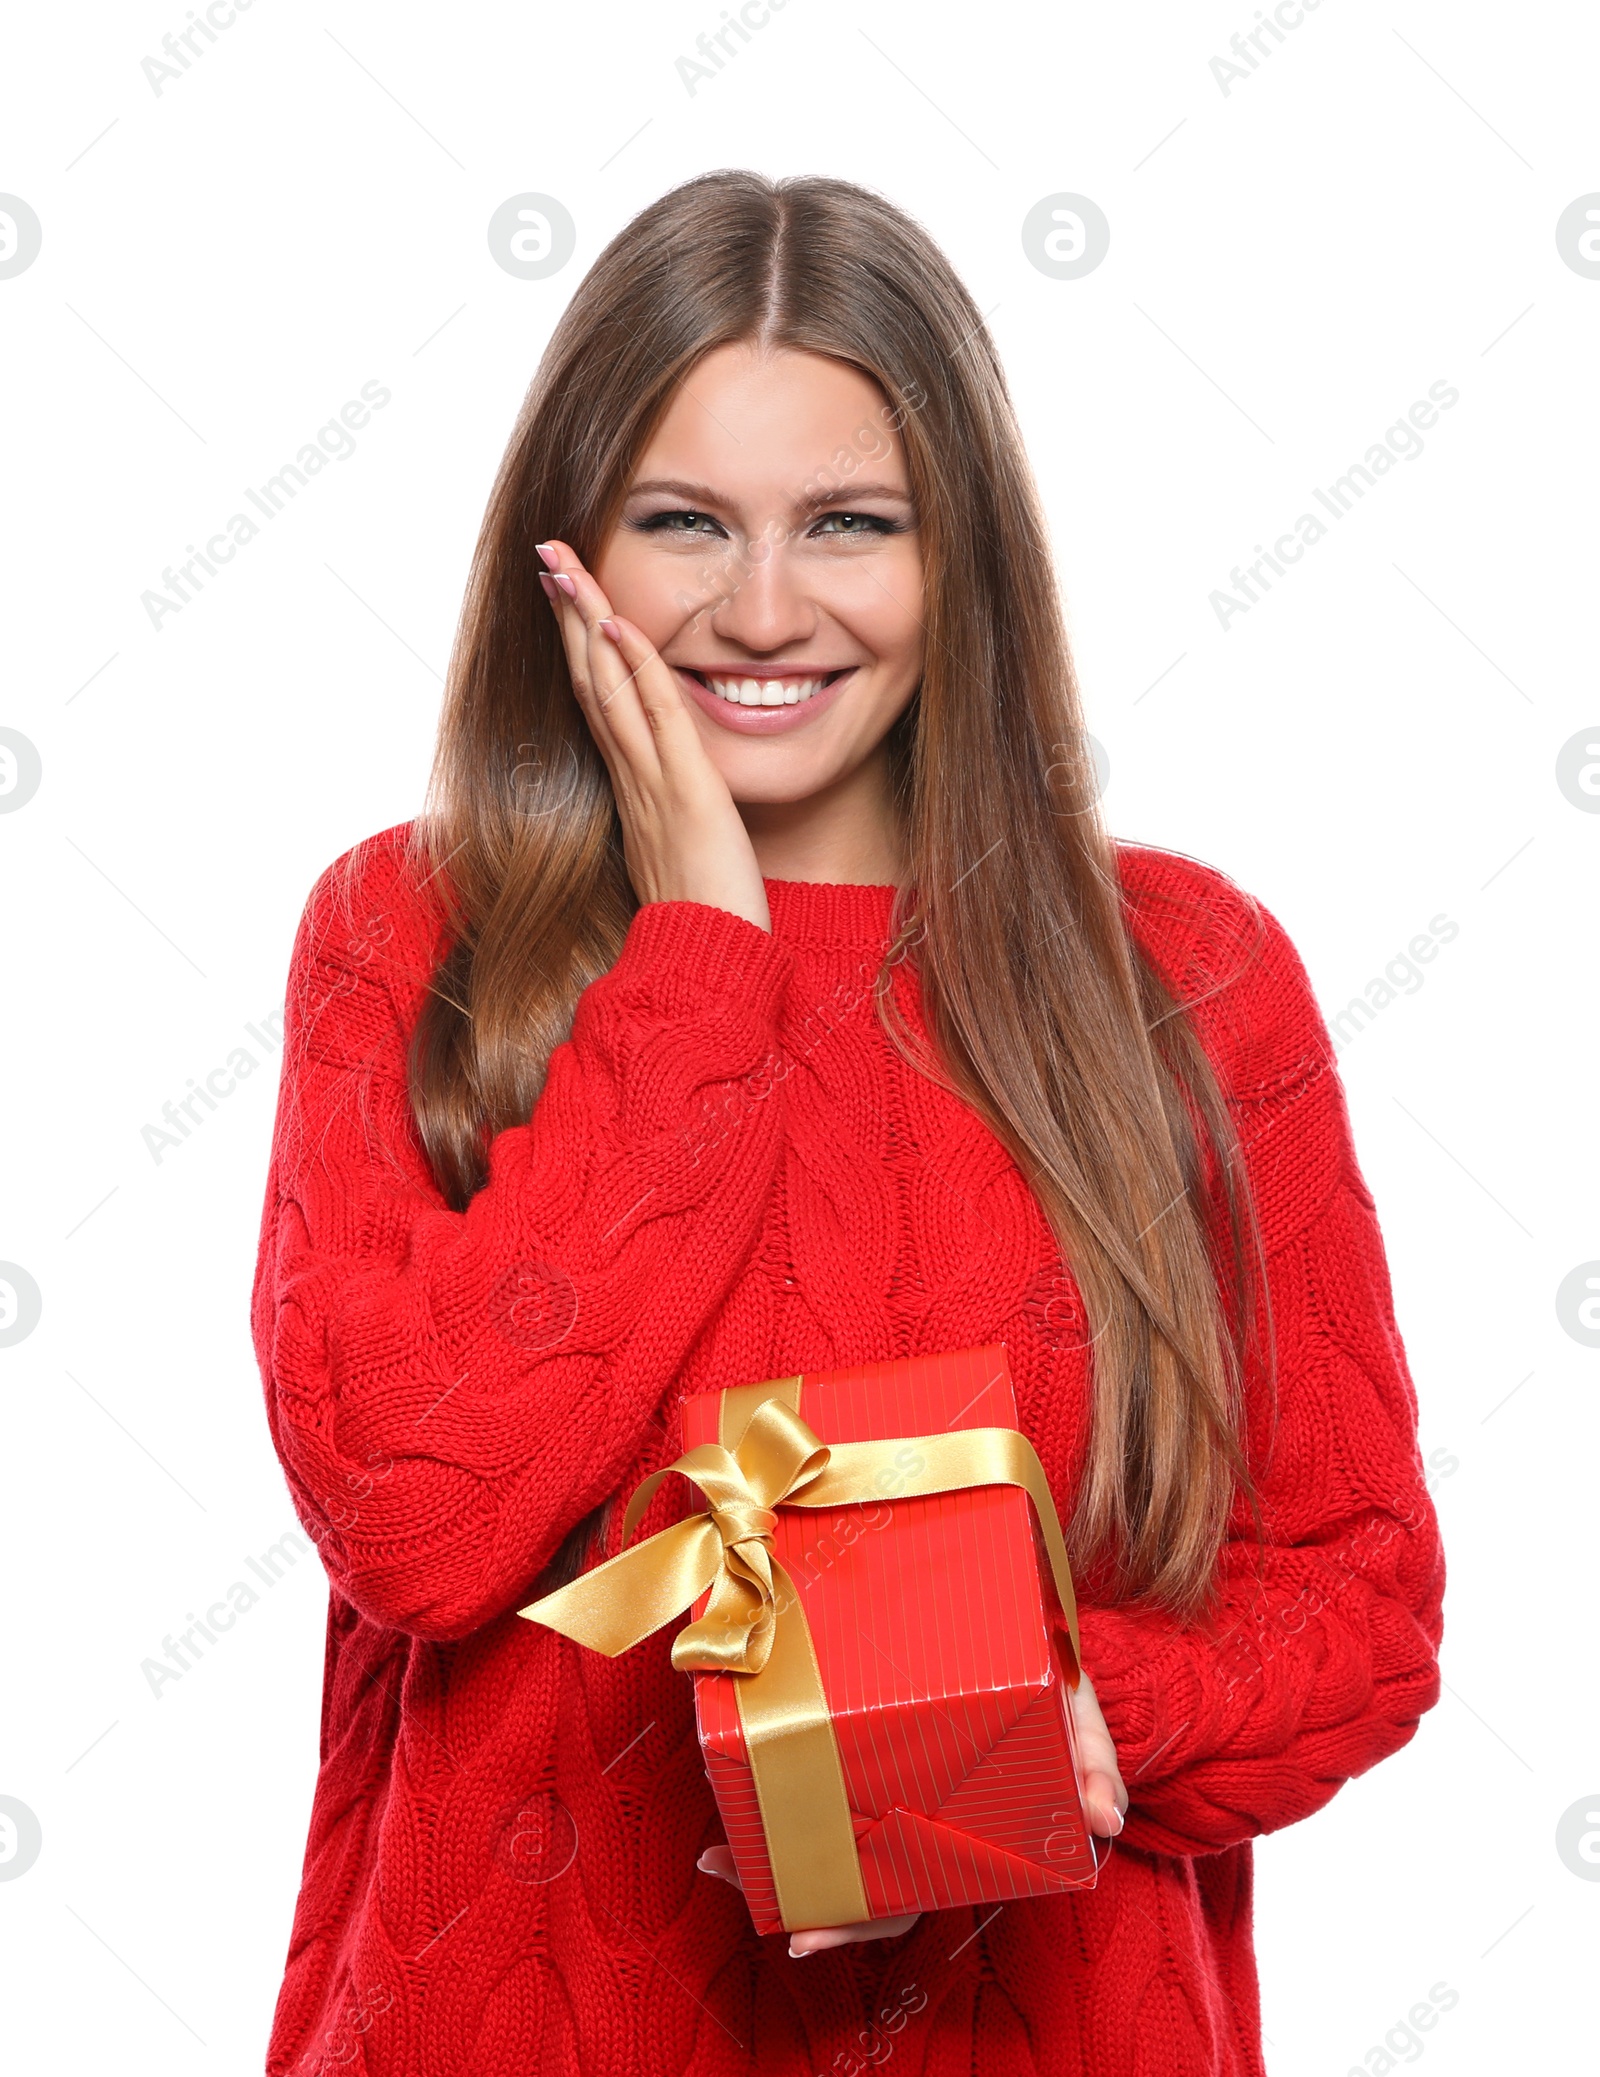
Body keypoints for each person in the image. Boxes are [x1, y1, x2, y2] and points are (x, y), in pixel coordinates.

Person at [252, 169, 1444, 2077]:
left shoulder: (1188, 978)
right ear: (570, 551)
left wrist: (1081, 1717)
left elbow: (1361, 1596)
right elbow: (408, 1517)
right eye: (684, 524)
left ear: (959, 553)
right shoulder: (406, 939)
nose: (762, 608)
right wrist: (704, 951)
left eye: (850, 525)